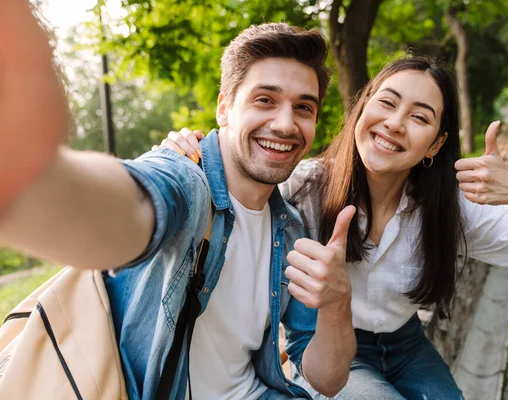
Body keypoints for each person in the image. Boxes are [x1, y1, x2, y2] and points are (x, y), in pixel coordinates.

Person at [160, 56, 508, 399]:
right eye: (386, 102)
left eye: (420, 117)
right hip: (324, 346)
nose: (395, 123)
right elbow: (237, 172)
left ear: (436, 144)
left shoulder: (449, 207)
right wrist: (184, 150)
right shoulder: (305, 184)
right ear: (362, 107)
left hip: (407, 346)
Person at [0, 6, 357, 400]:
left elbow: (328, 380)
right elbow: (133, 205)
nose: (286, 124)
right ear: (224, 108)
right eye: (265, 100)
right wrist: (29, 173)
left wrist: (338, 303)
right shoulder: (187, 178)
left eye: (303, 107)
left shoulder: (289, 229)